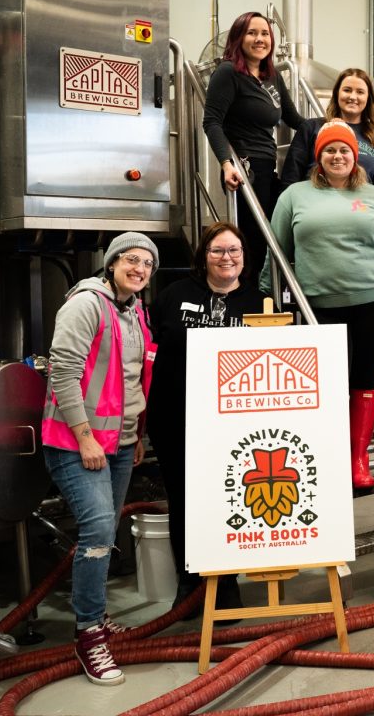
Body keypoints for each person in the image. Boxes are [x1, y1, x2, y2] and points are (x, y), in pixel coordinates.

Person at [262, 120, 374, 488]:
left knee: (364, 378)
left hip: (372, 303)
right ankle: (326, 457)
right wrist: (265, 294)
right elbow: (276, 251)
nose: (337, 155)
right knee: (326, 385)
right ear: (319, 157)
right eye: (330, 150)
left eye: (344, 149)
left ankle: (358, 460)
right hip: (316, 308)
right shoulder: (294, 195)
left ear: (354, 156)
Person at [41, 233, 158, 685]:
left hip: (121, 443)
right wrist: (85, 436)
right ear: (111, 264)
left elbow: (130, 380)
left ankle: (97, 616)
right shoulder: (87, 304)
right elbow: (63, 371)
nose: (140, 268)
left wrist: (134, 433)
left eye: (147, 263)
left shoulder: (134, 310)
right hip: (77, 442)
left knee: (107, 530)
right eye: (131, 259)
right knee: (95, 529)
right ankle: (88, 633)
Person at [148, 222, 260, 611]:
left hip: (233, 425)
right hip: (174, 418)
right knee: (182, 501)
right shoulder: (172, 296)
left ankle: (226, 583)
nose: (226, 258)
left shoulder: (259, 303)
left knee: (227, 500)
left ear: (244, 257)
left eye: (234, 251)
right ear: (203, 256)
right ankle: (190, 582)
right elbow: (150, 355)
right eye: (217, 251)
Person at [203, 11, 305, 272]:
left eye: (264, 34)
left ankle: (263, 299)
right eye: (252, 33)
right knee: (254, 240)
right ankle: (248, 301)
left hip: (267, 167)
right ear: (238, 38)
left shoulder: (272, 76)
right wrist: (226, 164)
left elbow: (294, 119)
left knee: (270, 237)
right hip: (244, 167)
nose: (260, 39)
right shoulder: (228, 73)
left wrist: (333, 127)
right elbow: (212, 121)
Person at [279, 67, 374, 195]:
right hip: (313, 209)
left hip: (359, 211)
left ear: (368, 98)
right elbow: (290, 178)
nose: (352, 96)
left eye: (360, 92)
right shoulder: (311, 128)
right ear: (337, 94)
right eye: (347, 90)